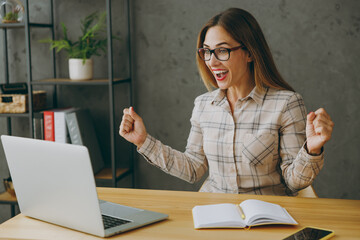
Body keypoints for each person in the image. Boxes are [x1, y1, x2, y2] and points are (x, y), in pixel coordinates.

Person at [119, 8, 334, 196]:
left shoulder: (286, 104)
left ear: (249, 52)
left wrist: (311, 150)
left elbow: (294, 182)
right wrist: (143, 141)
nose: (211, 61)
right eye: (206, 51)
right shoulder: (203, 105)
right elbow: (193, 169)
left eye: (222, 50)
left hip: (266, 218)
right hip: (216, 215)